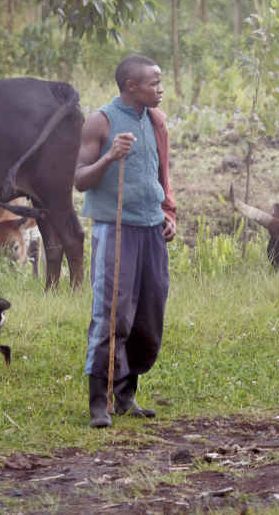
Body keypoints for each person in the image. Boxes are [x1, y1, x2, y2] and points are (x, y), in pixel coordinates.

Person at [75, 55, 177, 428]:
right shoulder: (100, 122)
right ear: (131, 86)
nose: (160, 88)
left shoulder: (156, 121)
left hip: (152, 230)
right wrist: (110, 157)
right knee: (112, 314)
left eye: (160, 81)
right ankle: (98, 403)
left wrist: (169, 214)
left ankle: (126, 395)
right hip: (115, 228)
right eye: (154, 82)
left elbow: (161, 174)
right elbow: (80, 179)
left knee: (148, 316)